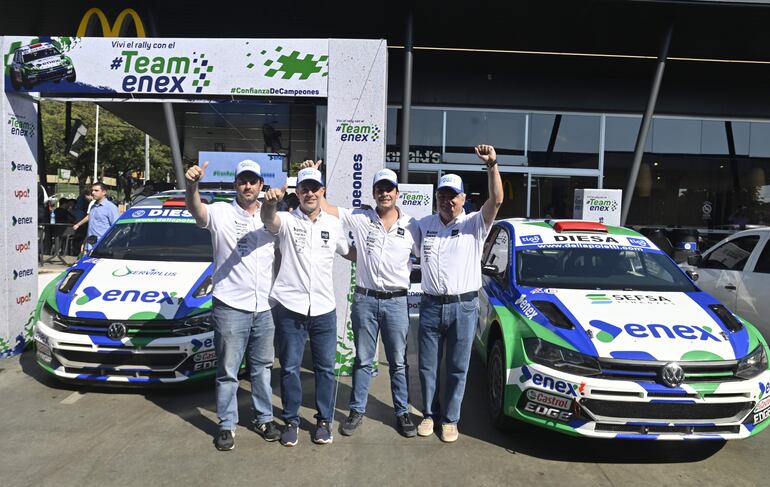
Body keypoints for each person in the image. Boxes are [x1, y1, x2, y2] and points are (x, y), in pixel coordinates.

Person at [300, 160, 419, 438]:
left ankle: (402, 412)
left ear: (397, 193)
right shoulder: (361, 217)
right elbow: (325, 207)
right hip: (365, 300)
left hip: (397, 302)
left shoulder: (413, 225)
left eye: (389, 189)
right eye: (380, 189)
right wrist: (316, 175)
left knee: (399, 361)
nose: (384, 194)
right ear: (373, 192)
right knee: (364, 360)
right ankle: (356, 410)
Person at [185, 159, 280, 451]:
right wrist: (192, 186)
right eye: (243, 181)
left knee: (262, 368)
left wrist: (274, 203)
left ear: (261, 186)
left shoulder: (271, 218)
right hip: (229, 306)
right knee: (228, 371)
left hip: (264, 307)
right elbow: (197, 212)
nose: (248, 186)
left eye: (253, 181)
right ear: (235, 185)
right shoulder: (221, 212)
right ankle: (226, 424)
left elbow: (271, 217)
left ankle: (264, 418)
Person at [415, 144, 503, 443]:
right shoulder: (423, 225)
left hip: (463, 307)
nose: (447, 200)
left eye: (452, 196)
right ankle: (429, 414)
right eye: (442, 195)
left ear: (463, 199)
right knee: (427, 366)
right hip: (429, 306)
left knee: (457, 367)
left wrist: (492, 166)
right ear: (436, 198)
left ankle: (450, 419)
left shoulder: (474, 223)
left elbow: (497, 199)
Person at [261, 167, 354, 447]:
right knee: (289, 367)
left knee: (326, 369)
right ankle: (291, 420)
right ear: (297, 192)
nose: (310, 193)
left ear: (322, 191)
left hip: (325, 308)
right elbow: (268, 219)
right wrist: (270, 202)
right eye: (304, 188)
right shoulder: (287, 221)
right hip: (291, 307)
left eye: (315, 188)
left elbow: (349, 251)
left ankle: (324, 420)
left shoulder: (334, 225)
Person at [73, 182, 119, 251]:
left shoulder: (111, 208)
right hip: (90, 246)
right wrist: (85, 242)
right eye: (92, 190)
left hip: (103, 247)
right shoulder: (93, 206)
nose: (93, 193)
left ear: (104, 192)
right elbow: (91, 227)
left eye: (96, 190)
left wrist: (109, 243)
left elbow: (116, 228)